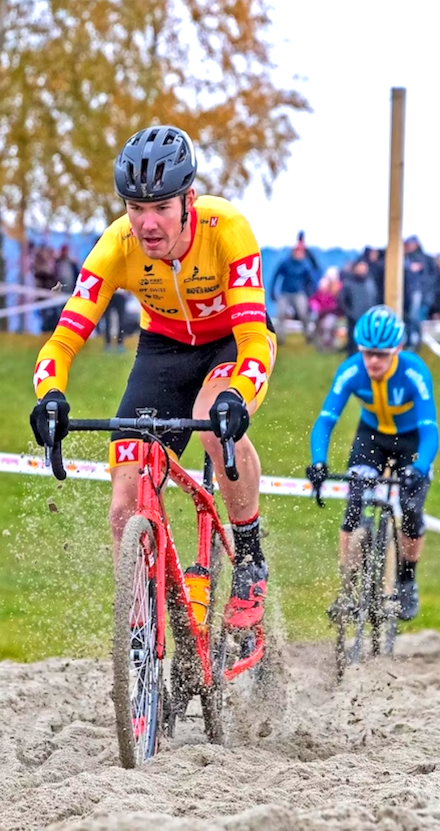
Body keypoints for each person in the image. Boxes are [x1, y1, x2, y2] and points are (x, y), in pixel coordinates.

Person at [28, 124, 275, 630]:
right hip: (162, 349)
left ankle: (250, 559)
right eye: (135, 208)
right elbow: (62, 341)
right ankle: (152, 627)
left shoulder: (226, 228)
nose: (147, 224)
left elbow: (253, 339)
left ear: (189, 199)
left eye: (160, 207)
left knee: (211, 420)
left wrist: (238, 394)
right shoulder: (117, 246)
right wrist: (50, 395)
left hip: (232, 340)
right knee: (123, 506)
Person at [307, 306, 438, 621]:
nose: (373, 362)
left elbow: (430, 431)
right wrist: (319, 462)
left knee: (410, 509)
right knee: (354, 504)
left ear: (397, 350)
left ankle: (407, 581)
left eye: (381, 354)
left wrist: (418, 471)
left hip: (411, 441)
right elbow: (325, 422)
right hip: (372, 438)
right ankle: (348, 588)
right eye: (367, 354)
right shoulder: (351, 371)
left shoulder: (414, 372)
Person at [339, 260, 378, 356]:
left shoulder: (370, 282)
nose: (362, 270)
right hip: (353, 318)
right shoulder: (348, 283)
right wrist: (350, 313)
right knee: (353, 342)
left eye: (364, 267)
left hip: (368, 318)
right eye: (360, 267)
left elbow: (375, 298)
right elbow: (342, 300)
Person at [308, 272, 343, 352]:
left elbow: (333, 306)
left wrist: (323, 311)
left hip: (329, 315)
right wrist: (314, 306)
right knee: (316, 327)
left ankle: (328, 344)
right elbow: (311, 301)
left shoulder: (330, 296)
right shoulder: (317, 295)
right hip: (320, 316)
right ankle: (317, 343)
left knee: (328, 326)